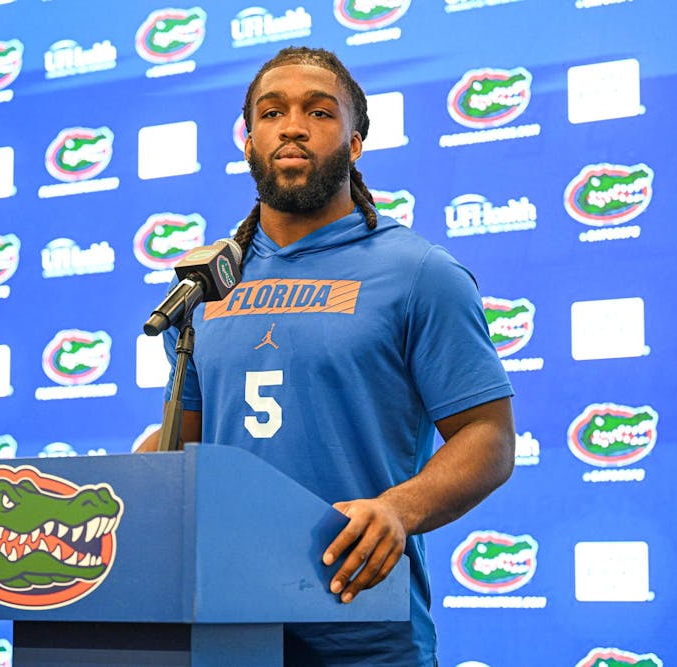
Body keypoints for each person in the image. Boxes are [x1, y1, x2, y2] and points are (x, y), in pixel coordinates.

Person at [137, 46, 516, 666]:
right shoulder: (208, 282)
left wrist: (398, 508)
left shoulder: (418, 272)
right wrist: (120, 487)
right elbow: (189, 444)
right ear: (249, 140)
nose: (292, 125)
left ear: (356, 143)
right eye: (271, 112)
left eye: (319, 111)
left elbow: (489, 436)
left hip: (361, 623)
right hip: (221, 621)